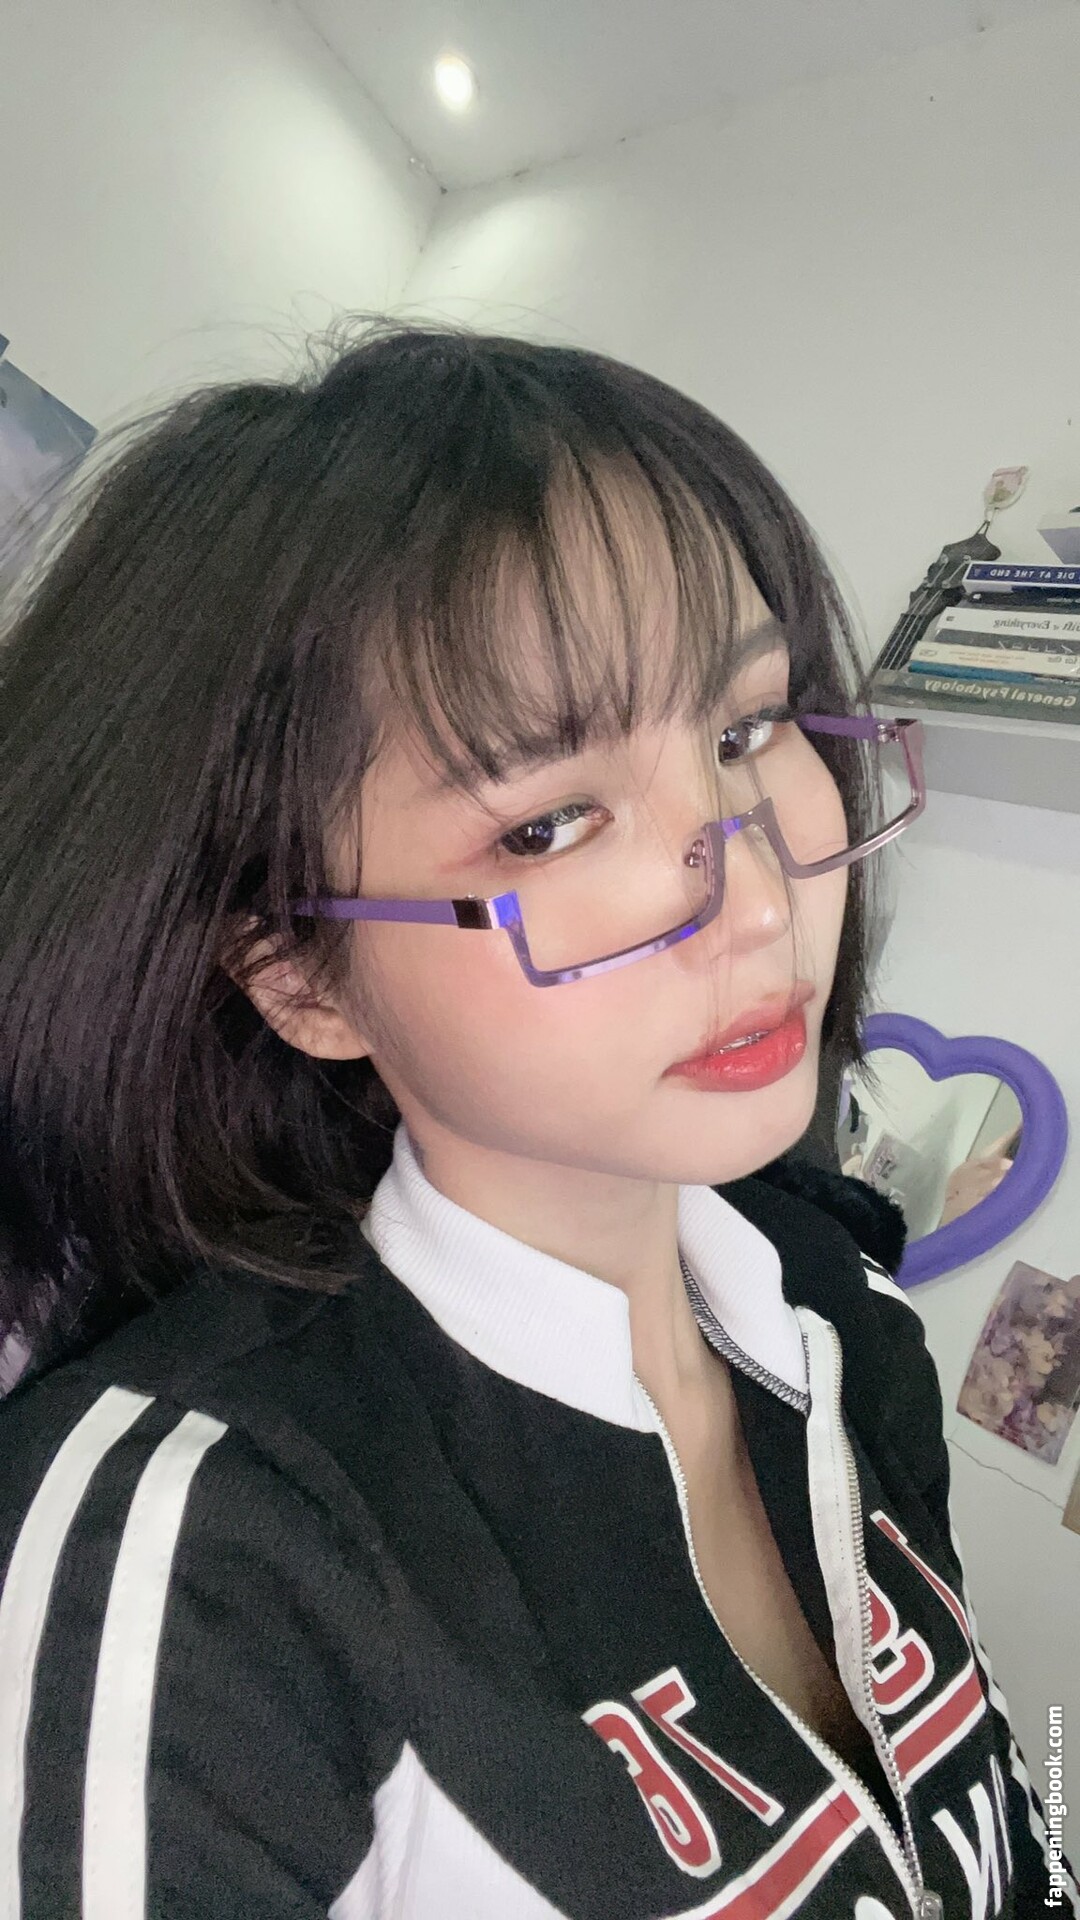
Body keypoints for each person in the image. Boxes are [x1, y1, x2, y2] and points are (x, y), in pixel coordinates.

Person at [0, 318, 1073, 1919]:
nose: (753, 896)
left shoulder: (841, 1315)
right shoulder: (196, 1550)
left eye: (746, 728)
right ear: (301, 976)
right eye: (551, 824)